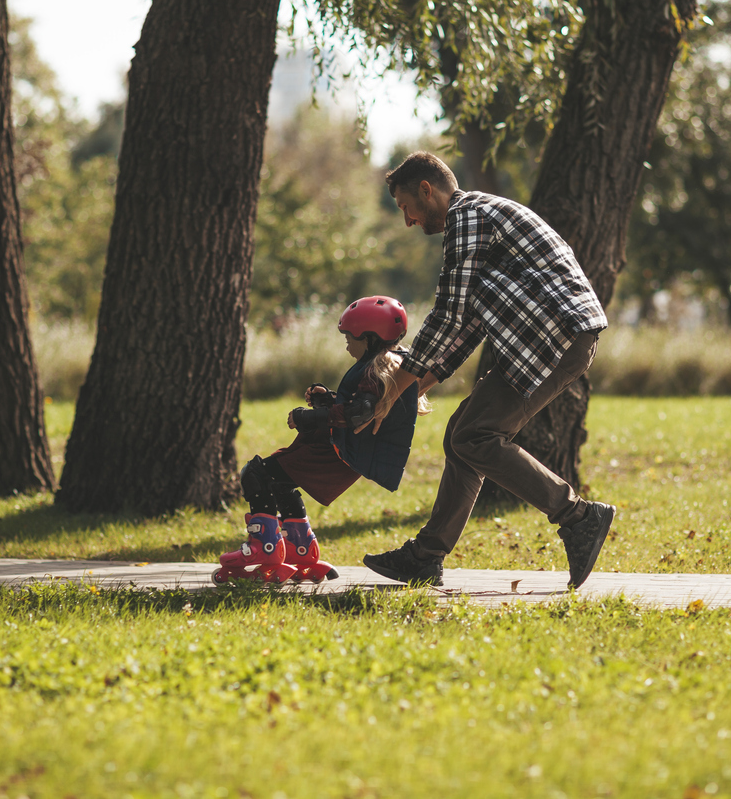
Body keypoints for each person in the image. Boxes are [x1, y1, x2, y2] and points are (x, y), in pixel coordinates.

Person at [362, 151, 615, 589]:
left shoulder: (469, 216)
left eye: (406, 208)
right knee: (464, 434)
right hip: (544, 338)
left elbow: (450, 314)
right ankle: (426, 556)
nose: (408, 221)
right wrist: (412, 386)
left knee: (474, 436)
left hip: (555, 335)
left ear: (427, 190)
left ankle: (578, 516)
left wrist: (394, 387)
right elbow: (469, 325)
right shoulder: (477, 220)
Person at [212, 296, 430, 584]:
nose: (346, 343)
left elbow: (360, 413)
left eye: (349, 337)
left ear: (368, 338)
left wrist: (307, 417)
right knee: (280, 482)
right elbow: (358, 405)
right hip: (341, 451)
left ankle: (262, 548)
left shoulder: (377, 369)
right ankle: (300, 551)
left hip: (337, 452)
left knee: (256, 474)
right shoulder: (390, 364)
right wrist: (327, 399)